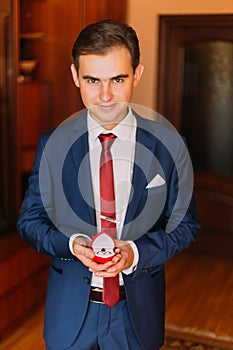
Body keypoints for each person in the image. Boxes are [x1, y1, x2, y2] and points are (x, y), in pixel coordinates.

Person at [17, 20, 200, 350]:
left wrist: (135, 253)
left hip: (137, 314)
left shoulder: (169, 146)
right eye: (92, 80)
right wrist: (72, 244)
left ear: (137, 74)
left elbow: (184, 225)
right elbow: (30, 223)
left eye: (118, 79)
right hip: (70, 315)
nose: (105, 96)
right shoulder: (53, 146)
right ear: (75, 76)